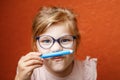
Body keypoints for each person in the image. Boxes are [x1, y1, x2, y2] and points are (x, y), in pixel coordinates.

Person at [15, 6, 97, 80]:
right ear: (35, 45)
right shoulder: (30, 73)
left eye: (65, 40)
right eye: (46, 41)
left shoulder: (86, 72)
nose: (56, 48)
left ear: (77, 43)